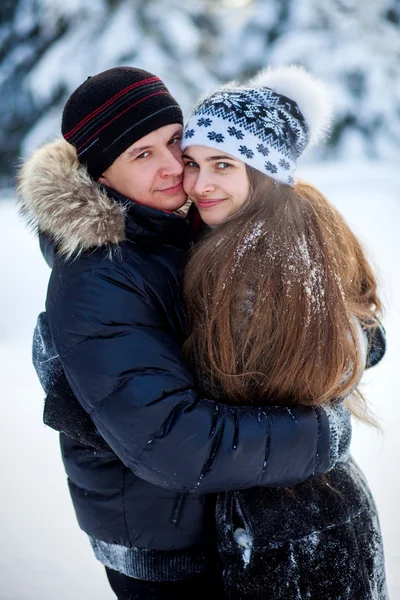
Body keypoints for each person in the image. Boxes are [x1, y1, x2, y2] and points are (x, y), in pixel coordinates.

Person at [16, 66, 358, 599]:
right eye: (142, 154)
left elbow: (336, 313)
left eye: (176, 141)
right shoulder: (97, 278)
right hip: (170, 556)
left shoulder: (184, 225)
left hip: (221, 524)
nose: (177, 167)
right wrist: (321, 434)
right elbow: (174, 443)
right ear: (101, 176)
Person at [181, 65, 388, 598]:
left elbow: (214, 399)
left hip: (296, 537)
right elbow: (369, 330)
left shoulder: (265, 260)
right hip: (300, 510)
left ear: (264, 169)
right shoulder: (284, 224)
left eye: (222, 164)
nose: (200, 183)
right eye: (192, 163)